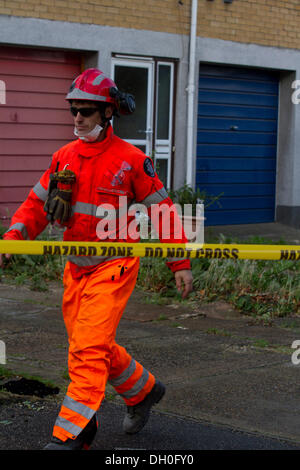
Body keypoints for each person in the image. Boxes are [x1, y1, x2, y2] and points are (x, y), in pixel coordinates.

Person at [0, 68, 193, 450]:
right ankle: (143, 391)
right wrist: (14, 238)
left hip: (115, 267)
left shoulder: (131, 160)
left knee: (86, 348)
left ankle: (74, 432)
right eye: (73, 110)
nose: (77, 118)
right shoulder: (64, 158)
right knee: (95, 344)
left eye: (86, 111)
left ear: (108, 113)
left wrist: (179, 261)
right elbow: (36, 205)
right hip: (77, 268)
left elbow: (163, 211)